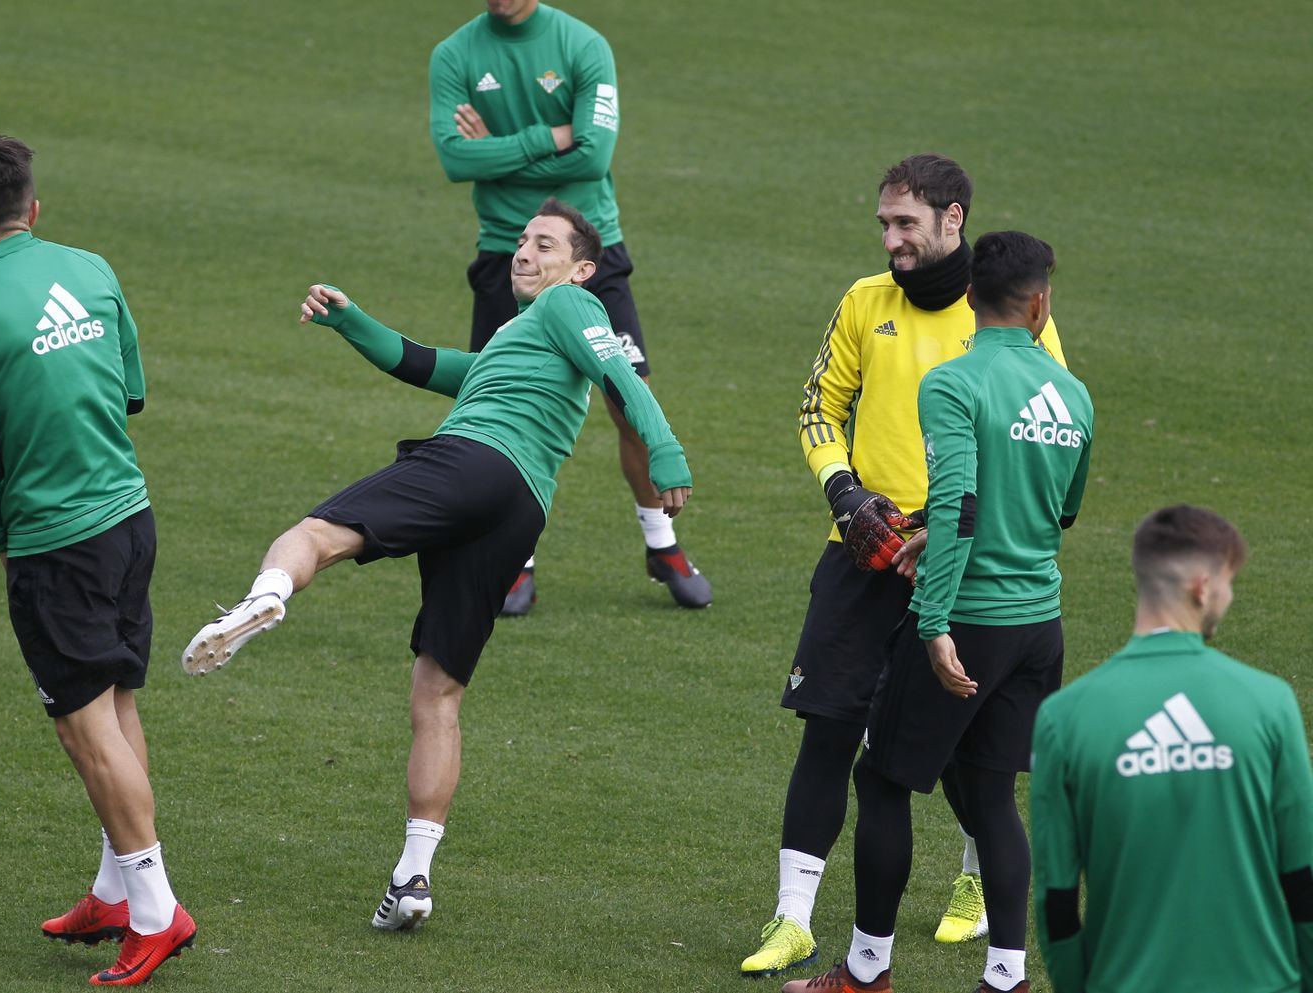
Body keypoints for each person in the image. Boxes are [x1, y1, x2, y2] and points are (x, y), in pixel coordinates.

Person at [181, 199, 693, 930]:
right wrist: (352, 322)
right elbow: (426, 363)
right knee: (438, 687)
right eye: (520, 240)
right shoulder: (524, 337)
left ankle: (262, 598)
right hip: (519, 508)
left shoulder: (572, 305)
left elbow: (622, 374)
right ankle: (413, 874)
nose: (523, 251)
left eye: (543, 244)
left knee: (319, 534)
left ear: (581, 268)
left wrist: (666, 451)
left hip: (473, 462)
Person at [741, 155, 1069, 978]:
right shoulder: (863, 302)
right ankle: (793, 917)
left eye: (905, 224)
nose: (891, 239)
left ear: (952, 219)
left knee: (972, 755)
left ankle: (966, 893)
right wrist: (845, 492)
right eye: (884, 223)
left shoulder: (1006, 315)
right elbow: (818, 406)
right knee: (827, 726)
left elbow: (1041, 423)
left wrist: (943, 527)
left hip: (964, 563)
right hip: (864, 554)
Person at [0, 134, 194, 987]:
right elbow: (127, 391)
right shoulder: (92, 267)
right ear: (34, 209)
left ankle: (156, 913)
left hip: (55, 540)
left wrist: (1, 534)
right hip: (130, 520)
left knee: (84, 727)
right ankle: (115, 890)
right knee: (115, 702)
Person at [428, 0, 710, 614]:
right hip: (506, 256)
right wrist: (550, 135)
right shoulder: (454, 54)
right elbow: (454, 159)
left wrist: (499, 149)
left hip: (592, 255)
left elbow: (593, 157)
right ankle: (515, 560)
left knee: (625, 395)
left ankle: (662, 543)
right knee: (502, 403)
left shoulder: (584, 46)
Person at [1031, 506, 1313, 993]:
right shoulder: (1270, 704)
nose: (1229, 596)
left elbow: (1056, 899)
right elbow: (1303, 875)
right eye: (1229, 583)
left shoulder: (1065, 718)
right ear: (1202, 587)